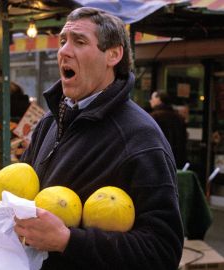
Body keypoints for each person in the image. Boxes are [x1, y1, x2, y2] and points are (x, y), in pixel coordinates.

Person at [11, 7, 183, 270]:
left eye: (79, 42)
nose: (64, 51)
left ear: (113, 54)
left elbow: (162, 251)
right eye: (63, 41)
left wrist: (68, 240)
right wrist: (4, 209)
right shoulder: (50, 120)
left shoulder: (140, 137)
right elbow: (27, 199)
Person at [149, 90, 187, 169]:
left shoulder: (153, 117)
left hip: (159, 159)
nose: (150, 101)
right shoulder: (179, 118)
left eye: (152, 98)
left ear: (159, 99)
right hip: (177, 159)